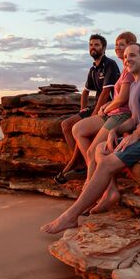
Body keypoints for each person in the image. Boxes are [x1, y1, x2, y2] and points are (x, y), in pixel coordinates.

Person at [42, 43, 140, 234]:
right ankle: (107, 192)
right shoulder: (136, 84)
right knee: (100, 148)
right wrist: (116, 130)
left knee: (106, 163)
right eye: (126, 56)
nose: (128, 59)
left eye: (133, 55)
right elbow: (136, 119)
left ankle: (70, 217)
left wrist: (135, 136)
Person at [68, 31, 137, 182]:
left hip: (121, 114)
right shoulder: (124, 68)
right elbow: (90, 92)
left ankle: (92, 185)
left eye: (122, 45)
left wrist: (105, 107)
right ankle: (85, 166)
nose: (118, 48)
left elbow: (121, 98)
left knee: (93, 150)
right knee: (77, 129)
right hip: (112, 111)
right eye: (117, 45)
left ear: (131, 46)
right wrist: (105, 106)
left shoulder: (127, 69)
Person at [54, 34, 121, 183]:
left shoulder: (109, 64)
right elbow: (85, 92)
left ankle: (78, 164)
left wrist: (94, 114)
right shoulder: (93, 69)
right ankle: (78, 162)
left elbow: (105, 92)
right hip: (96, 105)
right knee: (66, 125)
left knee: (80, 128)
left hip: (109, 106)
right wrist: (82, 110)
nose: (93, 48)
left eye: (97, 45)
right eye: (91, 45)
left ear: (103, 48)